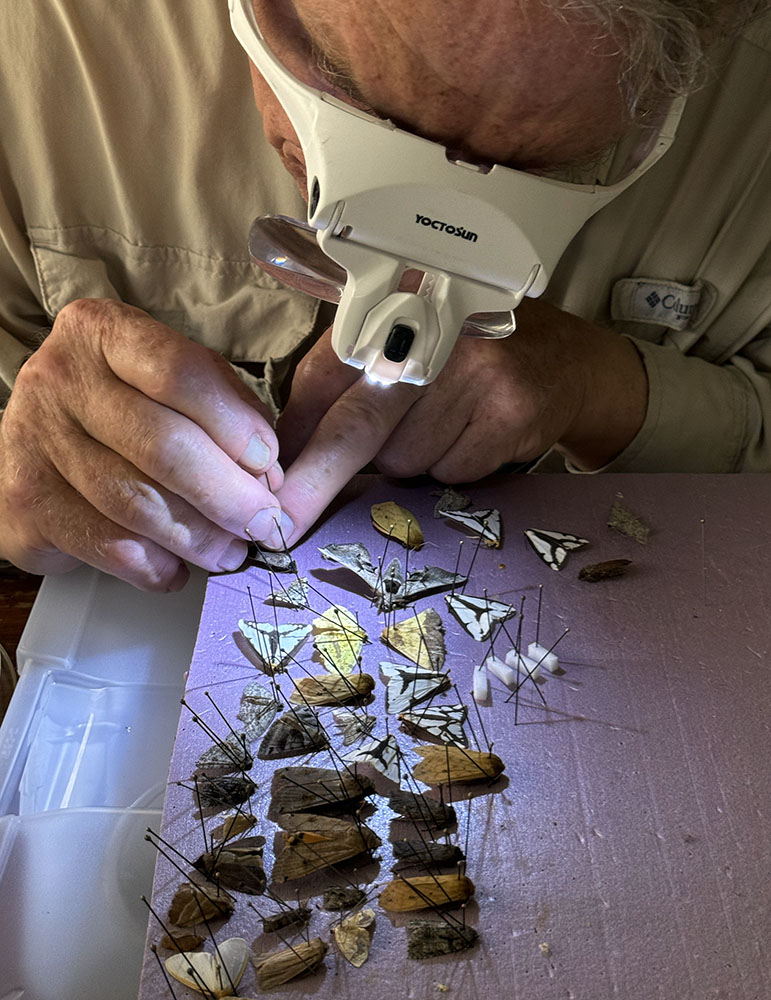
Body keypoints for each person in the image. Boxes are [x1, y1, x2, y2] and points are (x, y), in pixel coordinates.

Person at [0, 0, 769, 592]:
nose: (418, 231)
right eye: (370, 115)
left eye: (537, 165)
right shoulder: (40, 46)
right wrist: (19, 468)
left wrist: (599, 387)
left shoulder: (751, 101)